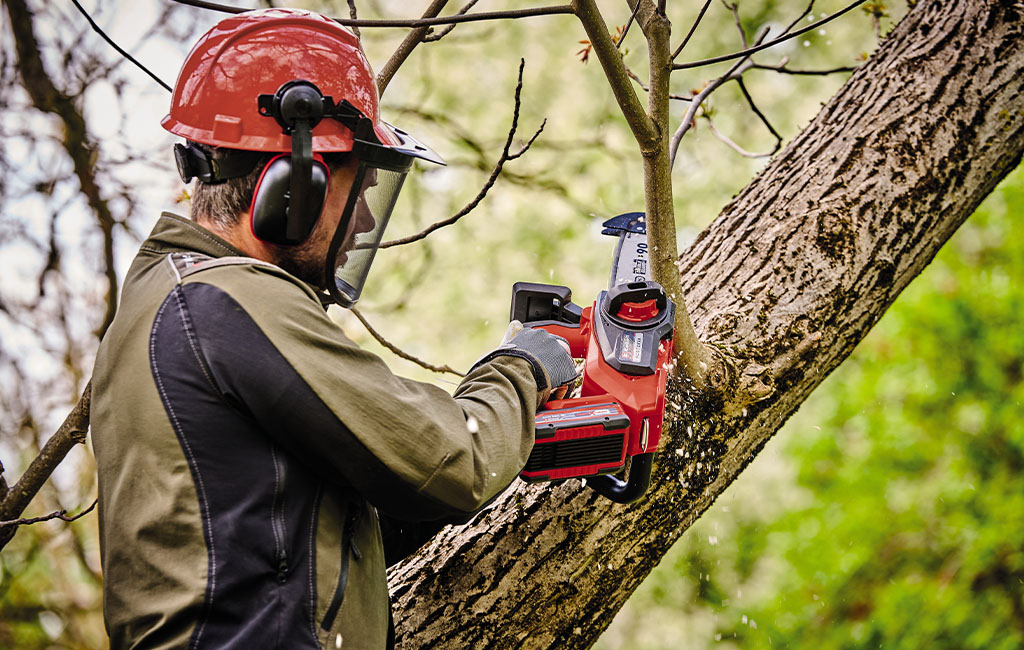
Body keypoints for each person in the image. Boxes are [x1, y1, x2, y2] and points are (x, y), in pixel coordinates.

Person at [90, 8, 575, 649]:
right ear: (295, 186)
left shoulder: (171, 300)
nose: (369, 216)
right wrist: (526, 366)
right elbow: (454, 459)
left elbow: (303, 536)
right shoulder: (225, 301)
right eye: (363, 183)